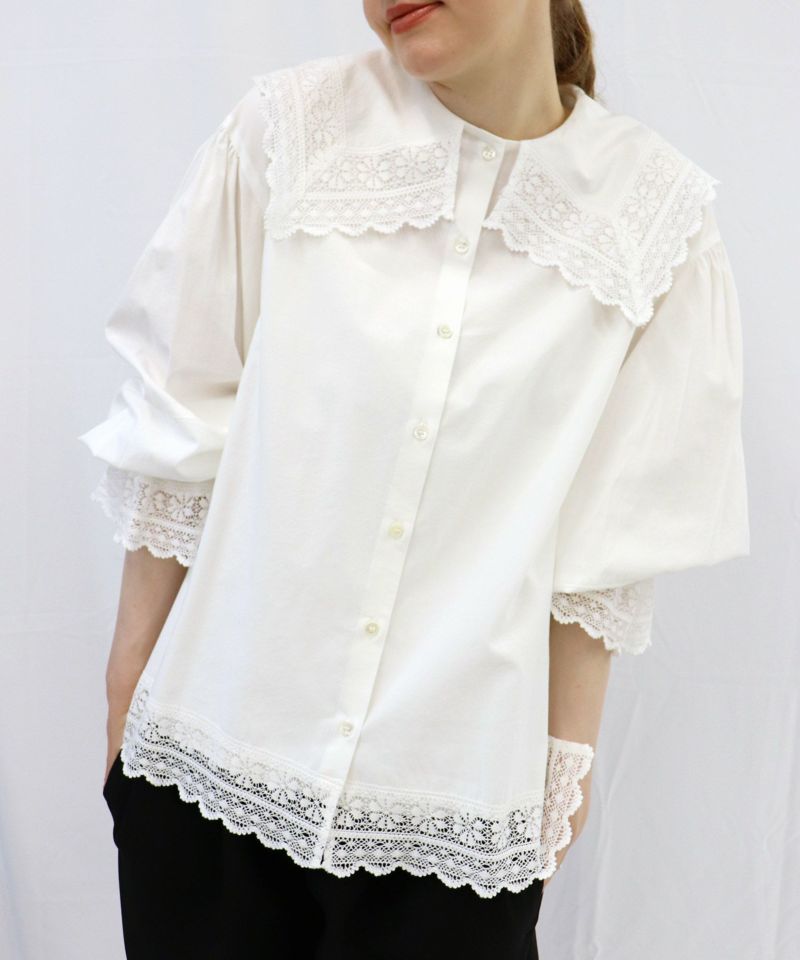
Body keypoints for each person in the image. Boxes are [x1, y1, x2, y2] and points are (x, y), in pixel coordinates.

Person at [78, 0, 750, 957]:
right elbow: (180, 424)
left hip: (452, 826)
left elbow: (607, 546)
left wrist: (560, 777)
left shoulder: (654, 219)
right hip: (204, 777)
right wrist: (125, 708)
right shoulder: (289, 133)